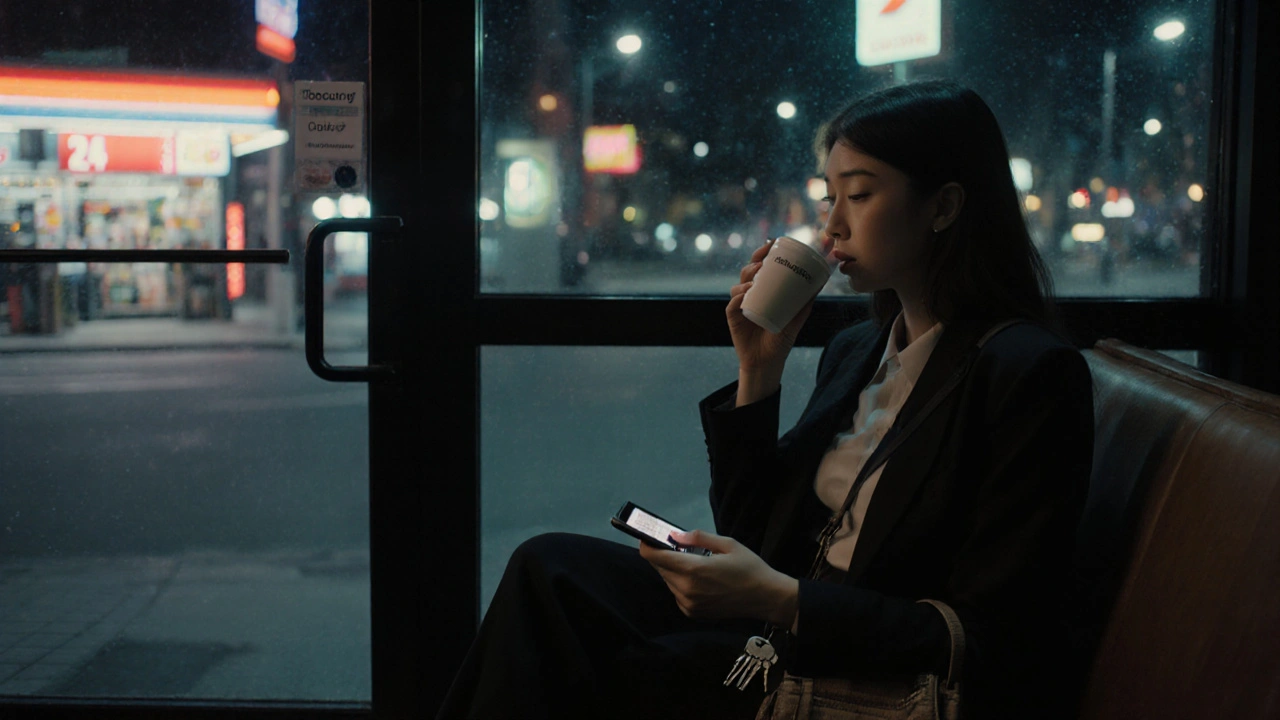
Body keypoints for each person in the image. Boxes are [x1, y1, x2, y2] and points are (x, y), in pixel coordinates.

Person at [437, 79, 1094, 719]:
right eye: (829, 197)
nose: (831, 225)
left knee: (589, 662)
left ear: (944, 207)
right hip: (778, 622)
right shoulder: (860, 350)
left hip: (854, 665)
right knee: (547, 566)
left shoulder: (1027, 373)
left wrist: (783, 600)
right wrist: (759, 370)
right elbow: (754, 535)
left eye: (859, 195)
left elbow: (992, 638)